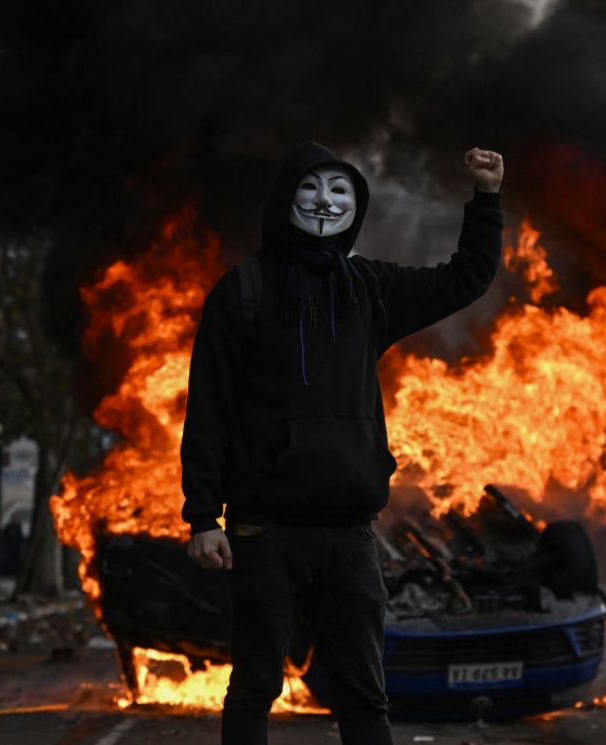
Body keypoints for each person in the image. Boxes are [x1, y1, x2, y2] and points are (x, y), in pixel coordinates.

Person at [181, 142, 504, 745]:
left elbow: (466, 278)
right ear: (286, 199)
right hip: (262, 532)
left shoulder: (368, 289)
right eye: (311, 188)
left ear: (355, 208)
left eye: (340, 192)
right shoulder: (243, 291)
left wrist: (486, 199)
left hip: (350, 533)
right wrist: (203, 516)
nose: (324, 202)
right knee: (254, 688)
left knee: (364, 694)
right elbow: (208, 409)